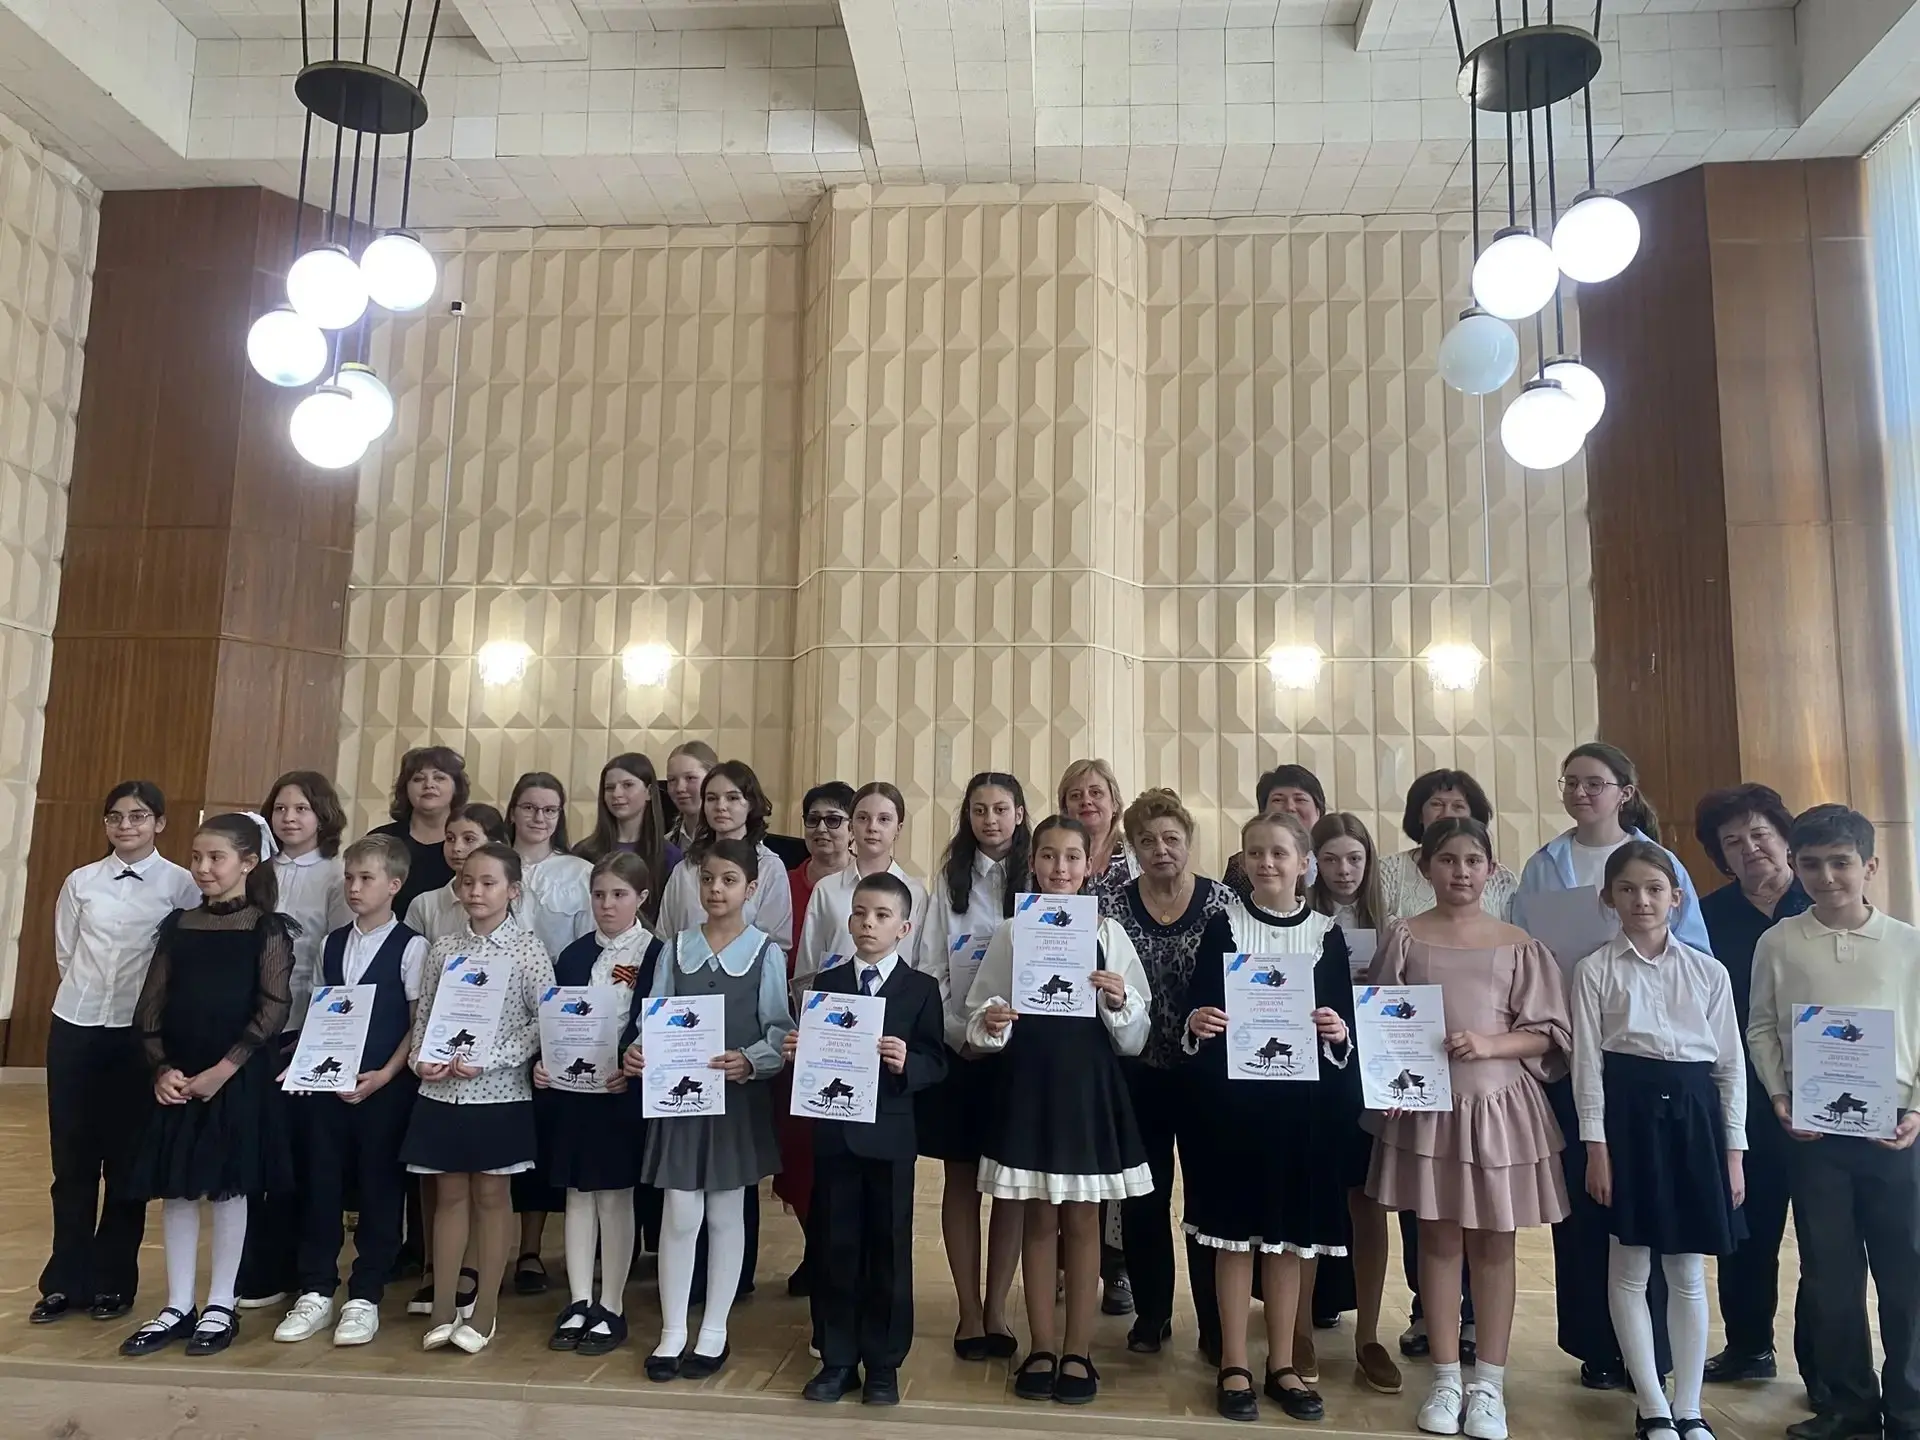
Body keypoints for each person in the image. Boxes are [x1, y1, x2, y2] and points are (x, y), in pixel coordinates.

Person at [1366, 817, 1572, 1440]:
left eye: (1473, 860)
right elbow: (1383, 1018)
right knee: (1436, 1239)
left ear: (1491, 869)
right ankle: (1445, 1376)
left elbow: (1549, 1032)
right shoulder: (1405, 936)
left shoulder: (1519, 943)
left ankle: (1490, 1383)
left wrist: (1490, 1043)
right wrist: (1391, 1081)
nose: (1461, 871)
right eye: (1448, 859)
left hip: (1499, 1107)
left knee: (1494, 1242)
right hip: (1428, 1110)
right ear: (1426, 867)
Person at [1516, 743, 1701, 1389]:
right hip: (1569, 1051)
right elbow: (1524, 949)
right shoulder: (1545, 863)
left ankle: (1656, 1352)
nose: (1580, 793)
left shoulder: (1660, 861)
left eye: (1594, 783)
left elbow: (1694, 957)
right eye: (1571, 782)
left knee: (1650, 1209)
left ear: (1625, 791)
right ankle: (1597, 1344)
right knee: (1584, 1204)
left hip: (1647, 1057)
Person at [966, 814, 1154, 1406]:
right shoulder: (1012, 932)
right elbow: (979, 1011)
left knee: (1082, 1221)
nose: (1060, 868)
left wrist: (1118, 999)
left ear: (1089, 865)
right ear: (1033, 863)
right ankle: (1042, 1346)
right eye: (1048, 856)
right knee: (1039, 1218)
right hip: (1030, 1086)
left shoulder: (1109, 933)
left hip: (1086, 1087)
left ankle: (1079, 1350)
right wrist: (993, 1020)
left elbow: (1137, 1032)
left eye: (1072, 857)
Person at [1748, 805, 1920, 1440]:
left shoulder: (1908, 944)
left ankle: (1911, 1409)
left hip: (1895, 1131)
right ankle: (1849, 1405)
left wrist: (1917, 1109)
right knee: (1829, 1274)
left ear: (1869, 866)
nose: (1826, 876)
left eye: (1841, 863)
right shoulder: (1778, 942)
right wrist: (1779, 1095)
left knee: (1906, 1273)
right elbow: (1761, 1027)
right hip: (1815, 1133)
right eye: (1812, 864)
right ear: (1795, 866)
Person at [1185, 812, 1358, 1423]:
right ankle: (1234, 1361)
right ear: (1242, 861)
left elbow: (1343, 1027)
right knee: (1234, 1239)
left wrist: (1337, 1030)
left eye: (1280, 853)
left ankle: (1282, 1362)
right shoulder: (1223, 926)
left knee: (1289, 1243)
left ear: (1304, 864)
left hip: (1302, 1112)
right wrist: (1199, 1022)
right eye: (1255, 853)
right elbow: (1198, 1010)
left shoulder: (1326, 935)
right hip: (1236, 1110)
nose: (1267, 863)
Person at [1571, 841, 1747, 1440]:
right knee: (1629, 1265)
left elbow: (1730, 1067)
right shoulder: (1594, 970)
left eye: (1654, 889)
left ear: (1676, 897)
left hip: (1695, 1119)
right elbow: (1588, 1068)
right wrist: (1596, 1148)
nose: (1641, 901)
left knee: (1687, 1271)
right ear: (1608, 898)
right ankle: (1651, 1405)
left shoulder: (1708, 972)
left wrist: (1734, 1153)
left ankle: (1689, 1405)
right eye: (1627, 889)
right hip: (1628, 1119)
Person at [119, 813, 296, 1358]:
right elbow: (151, 1004)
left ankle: (221, 1302)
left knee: (228, 1188)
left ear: (248, 862)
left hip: (233, 1075)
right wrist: (161, 1068)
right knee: (177, 1187)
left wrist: (224, 1069)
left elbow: (273, 1007)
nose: (202, 867)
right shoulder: (179, 925)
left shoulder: (265, 928)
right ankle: (178, 1304)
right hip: (180, 1072)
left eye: (216, 857)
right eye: (196, 857)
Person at [35, 782, 200, 1326]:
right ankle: (64, 1281)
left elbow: (182, 961)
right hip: (77, 1025)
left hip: (139, 1034)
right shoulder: (80, 881)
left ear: (159, 823)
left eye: (138, 816)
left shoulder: (181, 885)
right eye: (115, 817)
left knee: (127, 1162)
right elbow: (67, 952)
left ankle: (113, 1281)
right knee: (72, 1161)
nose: (125, 826)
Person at [629, 838, 793, 1382]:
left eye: (728, 880)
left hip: (735, 1102)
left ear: (751, 888)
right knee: (679, 1213)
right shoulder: (675, 948)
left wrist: (752, 1060)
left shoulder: (766, 953)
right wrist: (638, 1050)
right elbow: (651, 1018)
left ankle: (715, 1329)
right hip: (682, 1101)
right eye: (707, 879)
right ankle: (672, 1329)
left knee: (725, 1213)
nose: (716, 890)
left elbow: (780, 1028)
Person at [792, 872, 947, 1406]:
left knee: (888, 1248)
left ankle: (883, 1363)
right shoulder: (826, 985)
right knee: (834, 1245)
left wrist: (908, 1063)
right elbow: (814, 1062)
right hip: (835, 1136)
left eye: (881, 915)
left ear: (904, 928)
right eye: (859, 913)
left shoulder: (920, 989)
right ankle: (836, 1358)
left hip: (890, 1138)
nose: (867, 923)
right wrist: (799, 1051)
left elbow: (936, 1060)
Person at [273, 833, 427, 1348]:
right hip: (327, 1087)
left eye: (366, 878)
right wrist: (302, 1065)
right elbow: (322, 1011)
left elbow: (416, 1021)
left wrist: (385, 1074)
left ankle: (365, 1295)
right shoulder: (331, 943)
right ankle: (316, 1290)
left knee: (380, 1188)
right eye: (349, 878)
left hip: (383, 1088)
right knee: (321, 1184)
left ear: (394, 885)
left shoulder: (412, 947)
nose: (354, 887)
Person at [402, 843, 555, 1355]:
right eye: (468, 882)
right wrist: (420, 1059)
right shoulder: (444, 948)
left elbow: (543, 1022)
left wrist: (493, 1057)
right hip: (442, 1090)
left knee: (492, 1197)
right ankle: (444, 1307)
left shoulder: (528, 949)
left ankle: (485, 1309)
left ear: (513, 891)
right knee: (448, 1197)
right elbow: (425, 1015)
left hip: (499, 1091)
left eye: (488, 883)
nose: (475, 892)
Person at [1693, 784, 1816, 1390]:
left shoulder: (1820, 902)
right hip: (1741, 1093)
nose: (1749, 848)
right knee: (1746, 1231)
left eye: (1760, 834)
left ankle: (1823, 1368)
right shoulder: (1707, 917)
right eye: (1732, 841)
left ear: (1785, 837)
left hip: (1820, 1091)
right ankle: (1748, 1348)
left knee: (1824, 1239)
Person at [1110, 788, 1232, 1358]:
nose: (1160, 849)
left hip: (1206, 1075)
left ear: (1188, 841)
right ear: (1133, 848)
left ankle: (1214, 1323)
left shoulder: (1222, 904)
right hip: (1136, 1073)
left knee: (1209, 1199)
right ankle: (1152, 1313)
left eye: (1171, 838)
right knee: (1144, 1198)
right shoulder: (1110, 904)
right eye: (1147, 840)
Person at [915, 772, 1028, 1363]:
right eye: (979, 810)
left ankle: (998, 1309)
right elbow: (930, 968)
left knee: (1009, 1185)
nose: (990, 820)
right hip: (960, 1051)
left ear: (1019, 814)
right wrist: (962, 1034)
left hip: (1021, 1055)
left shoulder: (1037, 876)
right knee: (961, 1180)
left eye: (1001, 809)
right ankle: (967, 1310)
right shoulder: (949, 879)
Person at [239, 770, 354, 1311]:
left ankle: (302, 1269)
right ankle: (257, 1265)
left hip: (306, 1026)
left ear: (322, 815)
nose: (289, 818)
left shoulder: (336, 873)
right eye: (280, 808)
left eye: (302, 809)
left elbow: (338, 959)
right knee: (255, 1152)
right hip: (251, 1027)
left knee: (302, 1157)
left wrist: (317, 1034)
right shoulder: (255, 870)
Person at [539, 852, 659, 1357]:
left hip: (620, 1093)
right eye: (599, 895)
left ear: (641, 898)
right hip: (573, 1093)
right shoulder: (572, 955)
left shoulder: (657, 955)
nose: (607, 905)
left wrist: (631, 1059)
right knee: (577, 1194)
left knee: (613, 1195)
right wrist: (544, 1062)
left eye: (619, 895)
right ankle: (578, 1299)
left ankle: (612, 1303)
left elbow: (654, 1021)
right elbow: (553, 1020)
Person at [1306, 812, 1401, 1395]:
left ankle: (1368, 1335)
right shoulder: (1302, 922)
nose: (1344, 870)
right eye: (1332, 859)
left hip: (1370, 1078)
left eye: (1355, 859)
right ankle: (1298, 1330)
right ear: (1313, 863)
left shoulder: (1392, 927)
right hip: (1312, 1077)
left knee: (1367, 1204)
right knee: (1311, 1198)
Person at [506, 771, 596, 1296]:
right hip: (494, 1014)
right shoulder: (494, 865)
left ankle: (531, 1249)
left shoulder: (578, 872)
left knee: (540, 1135)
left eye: (549, 810)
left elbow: (588, 950)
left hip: (555, 1018)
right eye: (529, 807)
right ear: (513, 811)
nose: (538, 818)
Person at [774, 780, 855, 1298]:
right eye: (813, 820)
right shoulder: (782, 884)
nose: (822, 829)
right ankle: (814, 1245)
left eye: (834, 819)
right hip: (790, 1027)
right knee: (797, 1149)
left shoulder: (865, 889)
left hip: (847, 1037)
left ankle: (837, 1250)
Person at [795, 782, 927, 984]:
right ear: (851, 826)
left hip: (898, 999)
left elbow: (921, 964)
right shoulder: (826, 889)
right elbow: (807, 965)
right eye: (863, 818)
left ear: (898, 829)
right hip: (834, 998)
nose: (872, 827)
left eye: (884, 819)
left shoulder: (915, 892)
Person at [656, 759, 795, 950]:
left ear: (751, 804)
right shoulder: (686, 868)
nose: (720, 806)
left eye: (732, 798)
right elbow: (664, 937)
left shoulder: (769, 867)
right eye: (712, 798)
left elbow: (776, 946)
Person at [1379, 770, 1520, 925]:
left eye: (1458, 806)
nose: (1447, 814)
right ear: (1419, 814)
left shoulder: (1500, 879)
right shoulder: (1387, 871)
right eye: (1437, 804)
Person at [370, 745, 469, 920]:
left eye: (439, 778)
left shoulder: (471, 842)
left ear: (456, 787)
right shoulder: (382, 841)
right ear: (405, 789)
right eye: (418, 779)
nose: (429, 785)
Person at [573, 753, 672, 915]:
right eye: (609, 788)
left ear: (649, 792)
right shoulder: (584, 853)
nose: (616, 794)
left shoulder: (669, 856)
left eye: (627, 785)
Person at [1223, 765, 1328, 895]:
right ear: (1263, 812)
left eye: (1300, 799)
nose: (1290, 807)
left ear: (1319, 811)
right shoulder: (1240, 866)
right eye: (1278, 800)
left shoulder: (1336, 860)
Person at [1057, 759, 1135, 915]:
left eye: (1096, 793)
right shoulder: (1048, 855)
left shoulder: (1137, 853)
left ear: (1114, 803)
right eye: (1075, 795)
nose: (1086, 801)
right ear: (1065, 809)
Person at [663, 740, 719, 854]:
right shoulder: (665, 846)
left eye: (690, 778)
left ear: (713, 778)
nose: (679, 788)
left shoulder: (733, 842)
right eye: (672, 780)